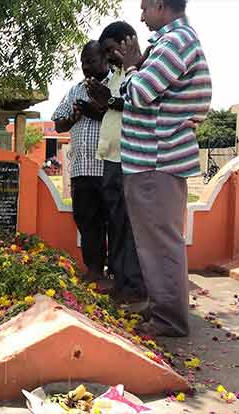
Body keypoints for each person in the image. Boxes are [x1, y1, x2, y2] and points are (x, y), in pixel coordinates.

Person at [115, 0, 212, 337]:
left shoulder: (175, 42)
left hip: (156, 160)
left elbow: (139, 94)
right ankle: (163, 311)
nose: (141, 16)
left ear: (160, 4)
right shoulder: (172, 43)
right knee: (155, 243)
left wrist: (131, 69)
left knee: (160, 244)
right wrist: (141, 63)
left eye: (144, 7)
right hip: (156, 160)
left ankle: (169, 321)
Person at [85, 22, 146, 303]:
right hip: (110, 158)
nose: (108, 57)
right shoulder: (115, 75)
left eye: (110, 49)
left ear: (127, 43)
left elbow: (137, 104)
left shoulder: (142, 71)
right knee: (116, 224)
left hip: (129, 159)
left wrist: (108, 101)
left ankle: (133, 286)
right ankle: (121, 280)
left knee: (128, 225)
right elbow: (111, 105)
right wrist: (100, 100)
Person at [52, 40, 109, 284]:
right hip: (82, 169)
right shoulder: (75, 89)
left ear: (105, 60)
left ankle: (117, 272)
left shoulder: (116, 85)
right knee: (86, 220)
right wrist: (75, 116)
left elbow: (116, 114)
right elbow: (58, 124)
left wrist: (92, 110)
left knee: (114, 221)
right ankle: (94, 269)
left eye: (91, 61)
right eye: (83, 62)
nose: (86, 67)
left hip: (108, 167)